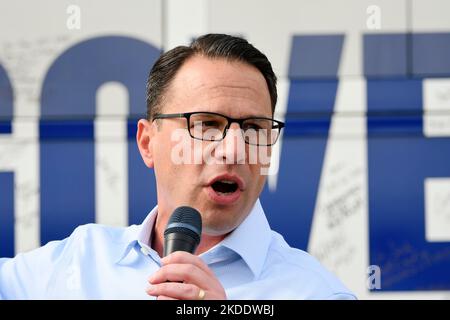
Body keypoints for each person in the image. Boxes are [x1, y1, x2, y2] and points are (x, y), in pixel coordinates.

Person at [0, 34, 356, 300]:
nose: (234, 149)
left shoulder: (317, 292)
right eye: (206, 124)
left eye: (253, 128)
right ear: (147, 142)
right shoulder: (78, 263)